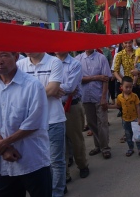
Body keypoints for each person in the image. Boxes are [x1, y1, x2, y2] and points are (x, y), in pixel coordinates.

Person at [0, 51, 52, 196]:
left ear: (15, 57)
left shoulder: (33, 85)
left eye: (4, 55)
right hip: (3, 160)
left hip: (32, 159)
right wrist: (4, 148)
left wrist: (2, 144)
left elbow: (34, 122)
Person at [17, 52, 67, 196]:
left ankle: (57, 193)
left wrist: (51, 90)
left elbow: (52, 89)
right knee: (38, 161)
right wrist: (49, 90)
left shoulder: (54, 62)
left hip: (54, 119)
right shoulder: (20, 64)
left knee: (56, 161)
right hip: (30, 122)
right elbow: (50, 90)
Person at [55, 52, 90, 184]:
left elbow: (70, 87)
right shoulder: (50, 63)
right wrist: (52, 88)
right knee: (59, 142)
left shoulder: (74, 64)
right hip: (54, 107)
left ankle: (82, 165)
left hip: (72, 107)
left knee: (76, 140)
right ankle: (64, 175)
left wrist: (50, 88)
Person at [76, 49, 112, 159]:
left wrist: (104, 97)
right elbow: (78, 79)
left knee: (102, 122)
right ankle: (98, 146)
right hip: (86, 96)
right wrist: (96, 77)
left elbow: (105, 79)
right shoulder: (78, 60)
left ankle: (105, 147)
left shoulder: (101, 58)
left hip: (99, 95)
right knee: (91, 123)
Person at [108, 76, 140, 158]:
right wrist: (107, 106)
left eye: (130, 87)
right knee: (128, 135)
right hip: (125, 120)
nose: (129, 89)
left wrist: (139, 118)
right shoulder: (119, 97)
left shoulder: (134, 96)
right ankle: (131, 148)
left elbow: (138, 107)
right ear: (121, 87)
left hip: (135, 119)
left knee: (138, 135)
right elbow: (117, 106)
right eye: (126, 87)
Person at [115, 40, 140, 121]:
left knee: (139, 106)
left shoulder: (138, 52)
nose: (128, 45)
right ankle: (128, 130)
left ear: (133, 43)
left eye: (129, 42)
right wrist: (122, 81)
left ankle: (139, 129)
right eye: (125, 43)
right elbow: (115, 71)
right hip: (127, 87)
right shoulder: (120, 54)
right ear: (122, 44)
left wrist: (138, 71)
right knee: (126, 107)